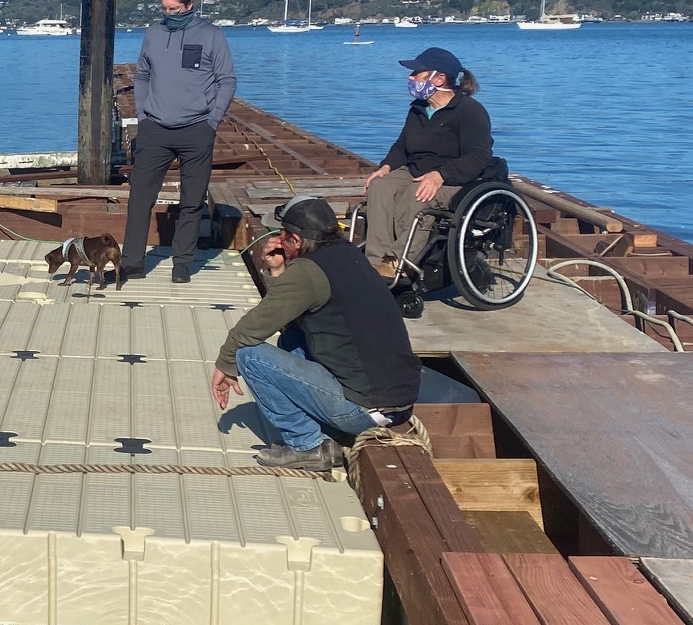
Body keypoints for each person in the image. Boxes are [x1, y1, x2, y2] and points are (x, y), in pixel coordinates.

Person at [209, 197, 420, 472]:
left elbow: (252, 328)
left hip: (365, 410)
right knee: (292, 339)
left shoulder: (308, 272)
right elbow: (289, 314)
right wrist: (278, 271)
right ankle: (327, 428)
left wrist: (225, 364)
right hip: (397, 399)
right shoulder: (348, 253)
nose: (279, 238)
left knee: (249, 356)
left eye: (283, 234)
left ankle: (307, 445)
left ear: (296, 241)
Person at [121, 0, 236, 284]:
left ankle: (182, 263)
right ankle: (131, 262)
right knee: (140, 197)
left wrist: (212, 122)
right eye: (164, 8)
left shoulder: (212, 35)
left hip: (197, 130)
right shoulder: (153, 34)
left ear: (189, 5)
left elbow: (227, 80)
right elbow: (142, 75)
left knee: (192, 201)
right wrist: (142, 116)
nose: (168, 14)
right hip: (155, 129)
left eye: (174, 9)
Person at [361, 47, 493, 277]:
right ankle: (376, 261)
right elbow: (402, 146)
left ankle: (397, 262)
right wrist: (386, 167)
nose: (410, 78)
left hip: (453, 178)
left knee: (415, 195)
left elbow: (478, 156)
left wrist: (440, 175)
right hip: (416, 169)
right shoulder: (418, 109)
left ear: (439, 78)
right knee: (379, 186)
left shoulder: (470, 112)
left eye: (416, 73)